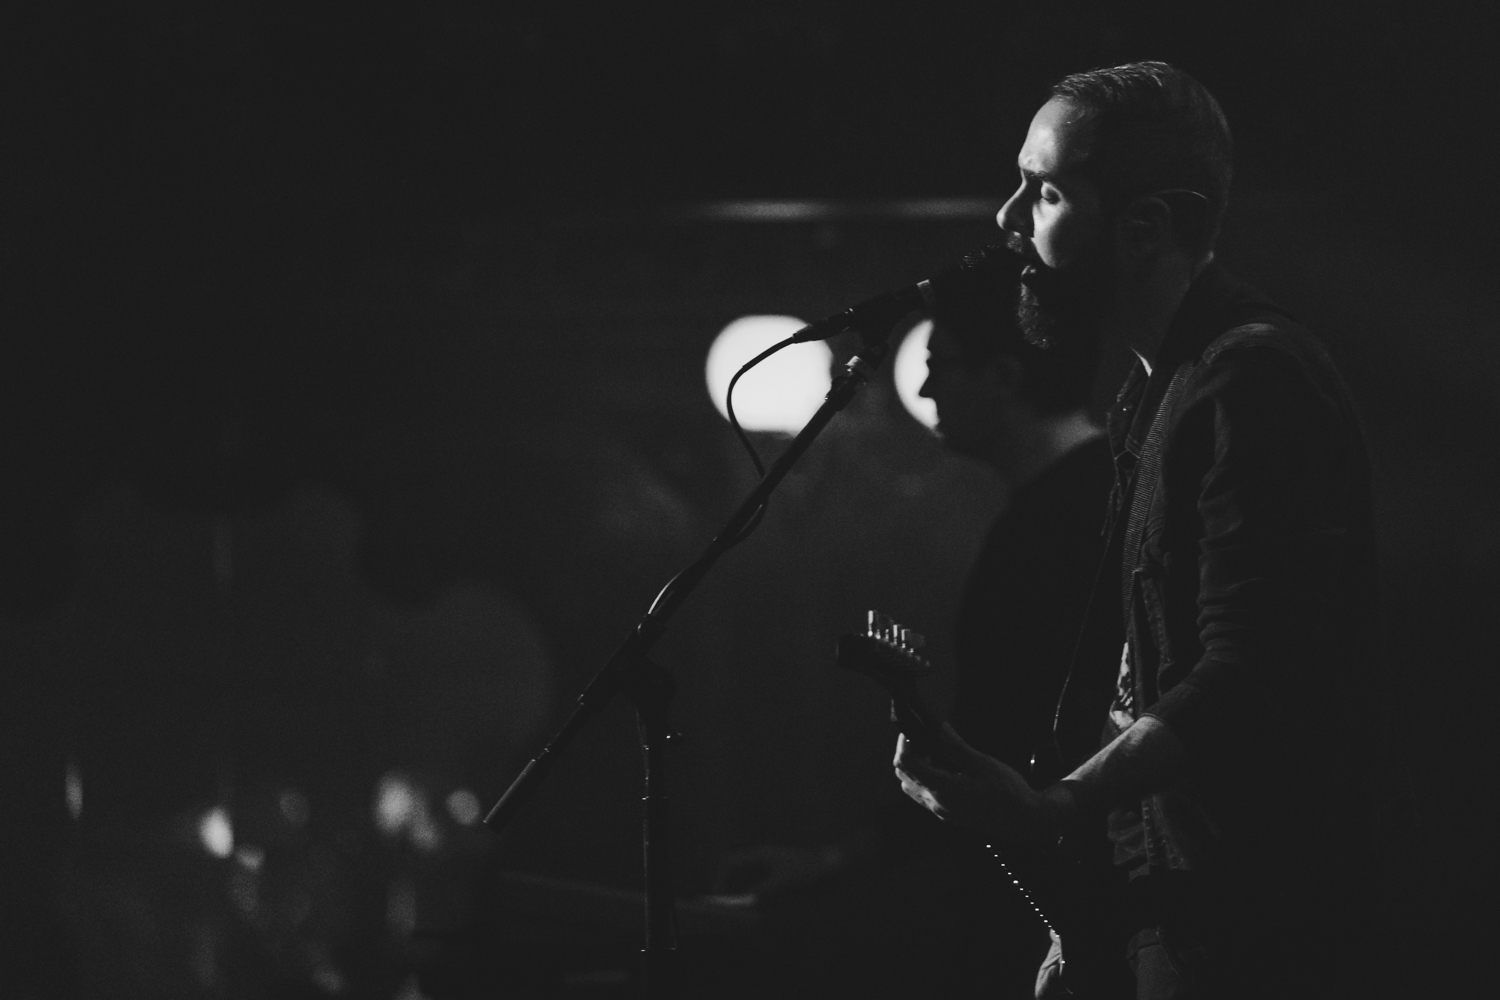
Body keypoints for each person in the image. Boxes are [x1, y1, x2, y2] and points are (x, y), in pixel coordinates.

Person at [894, 62, 1386, 998]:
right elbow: (1143, 684)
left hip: (1252, 929)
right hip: (1179, 910)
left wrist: (1060, 804)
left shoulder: (1253, 380)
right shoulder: (1153, 396)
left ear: (1145, 226)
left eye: (1043, 191)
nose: (1007, 220)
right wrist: (1090, 912)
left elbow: (1251, 670)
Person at [718, 262, 1117, 996]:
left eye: (939, 367)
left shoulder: (1061, 525)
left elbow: (1008, 736)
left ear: (1002, 376)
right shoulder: (1072, 505)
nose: (926, 391)